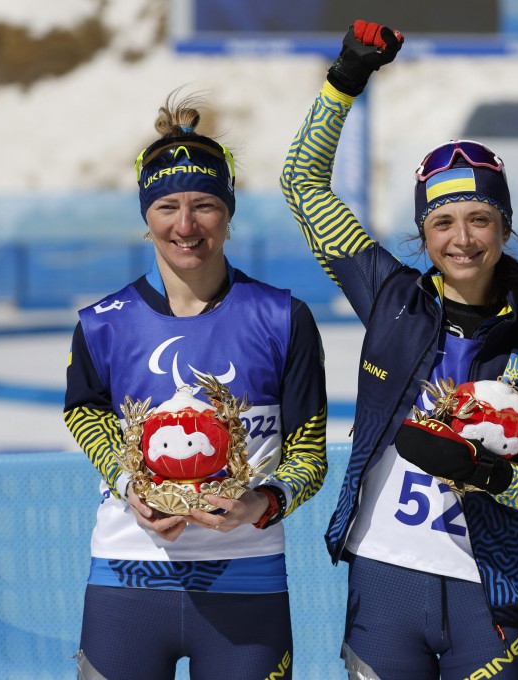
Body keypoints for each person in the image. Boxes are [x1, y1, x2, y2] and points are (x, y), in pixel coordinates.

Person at [280, 20, 518, 680]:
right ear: (423, 233)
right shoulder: (390, 296)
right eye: (442, 222)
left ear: (504, 226)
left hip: (487, 594)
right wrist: (345, 79)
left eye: (479, 218)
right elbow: (303, 186)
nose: (462, 238)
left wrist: (485, 472)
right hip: (385, 583)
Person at [63, 91, 328, 680]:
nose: (186, 226)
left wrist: (264, 504)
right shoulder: (102, 322)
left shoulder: (283, 317)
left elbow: (309, 453)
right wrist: (131, 484)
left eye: (205, 205)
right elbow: (86, 416)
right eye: (167, 207)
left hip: (248, 583)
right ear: (145, 216)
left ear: (229, 213)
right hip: (127, 579)